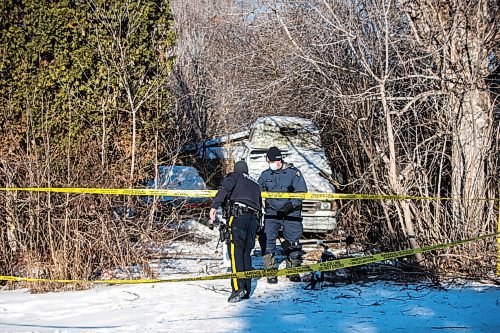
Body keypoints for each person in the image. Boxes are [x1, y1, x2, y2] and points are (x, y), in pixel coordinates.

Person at [209, 161, 262, 303]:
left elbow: (224, 188)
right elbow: (260, 206)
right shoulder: (255, 184)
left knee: (235, 251)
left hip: (239, 217)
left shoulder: (235, 176)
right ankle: (246, 289)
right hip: (253, 220)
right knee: (246, 253)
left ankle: (238, 288)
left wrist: (214, 206)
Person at [258, 147, 307, 283]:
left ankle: (293, 270)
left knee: (293, 243)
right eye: (269, 161)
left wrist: (289, 206)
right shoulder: (265, 175)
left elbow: (301, 192)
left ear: (279, 160)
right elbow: (257, 190)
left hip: (291, 213)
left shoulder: (294, 173)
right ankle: (270, 272)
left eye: (273, 161)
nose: (271, 163)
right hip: (272, 214)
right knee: (268, 241)